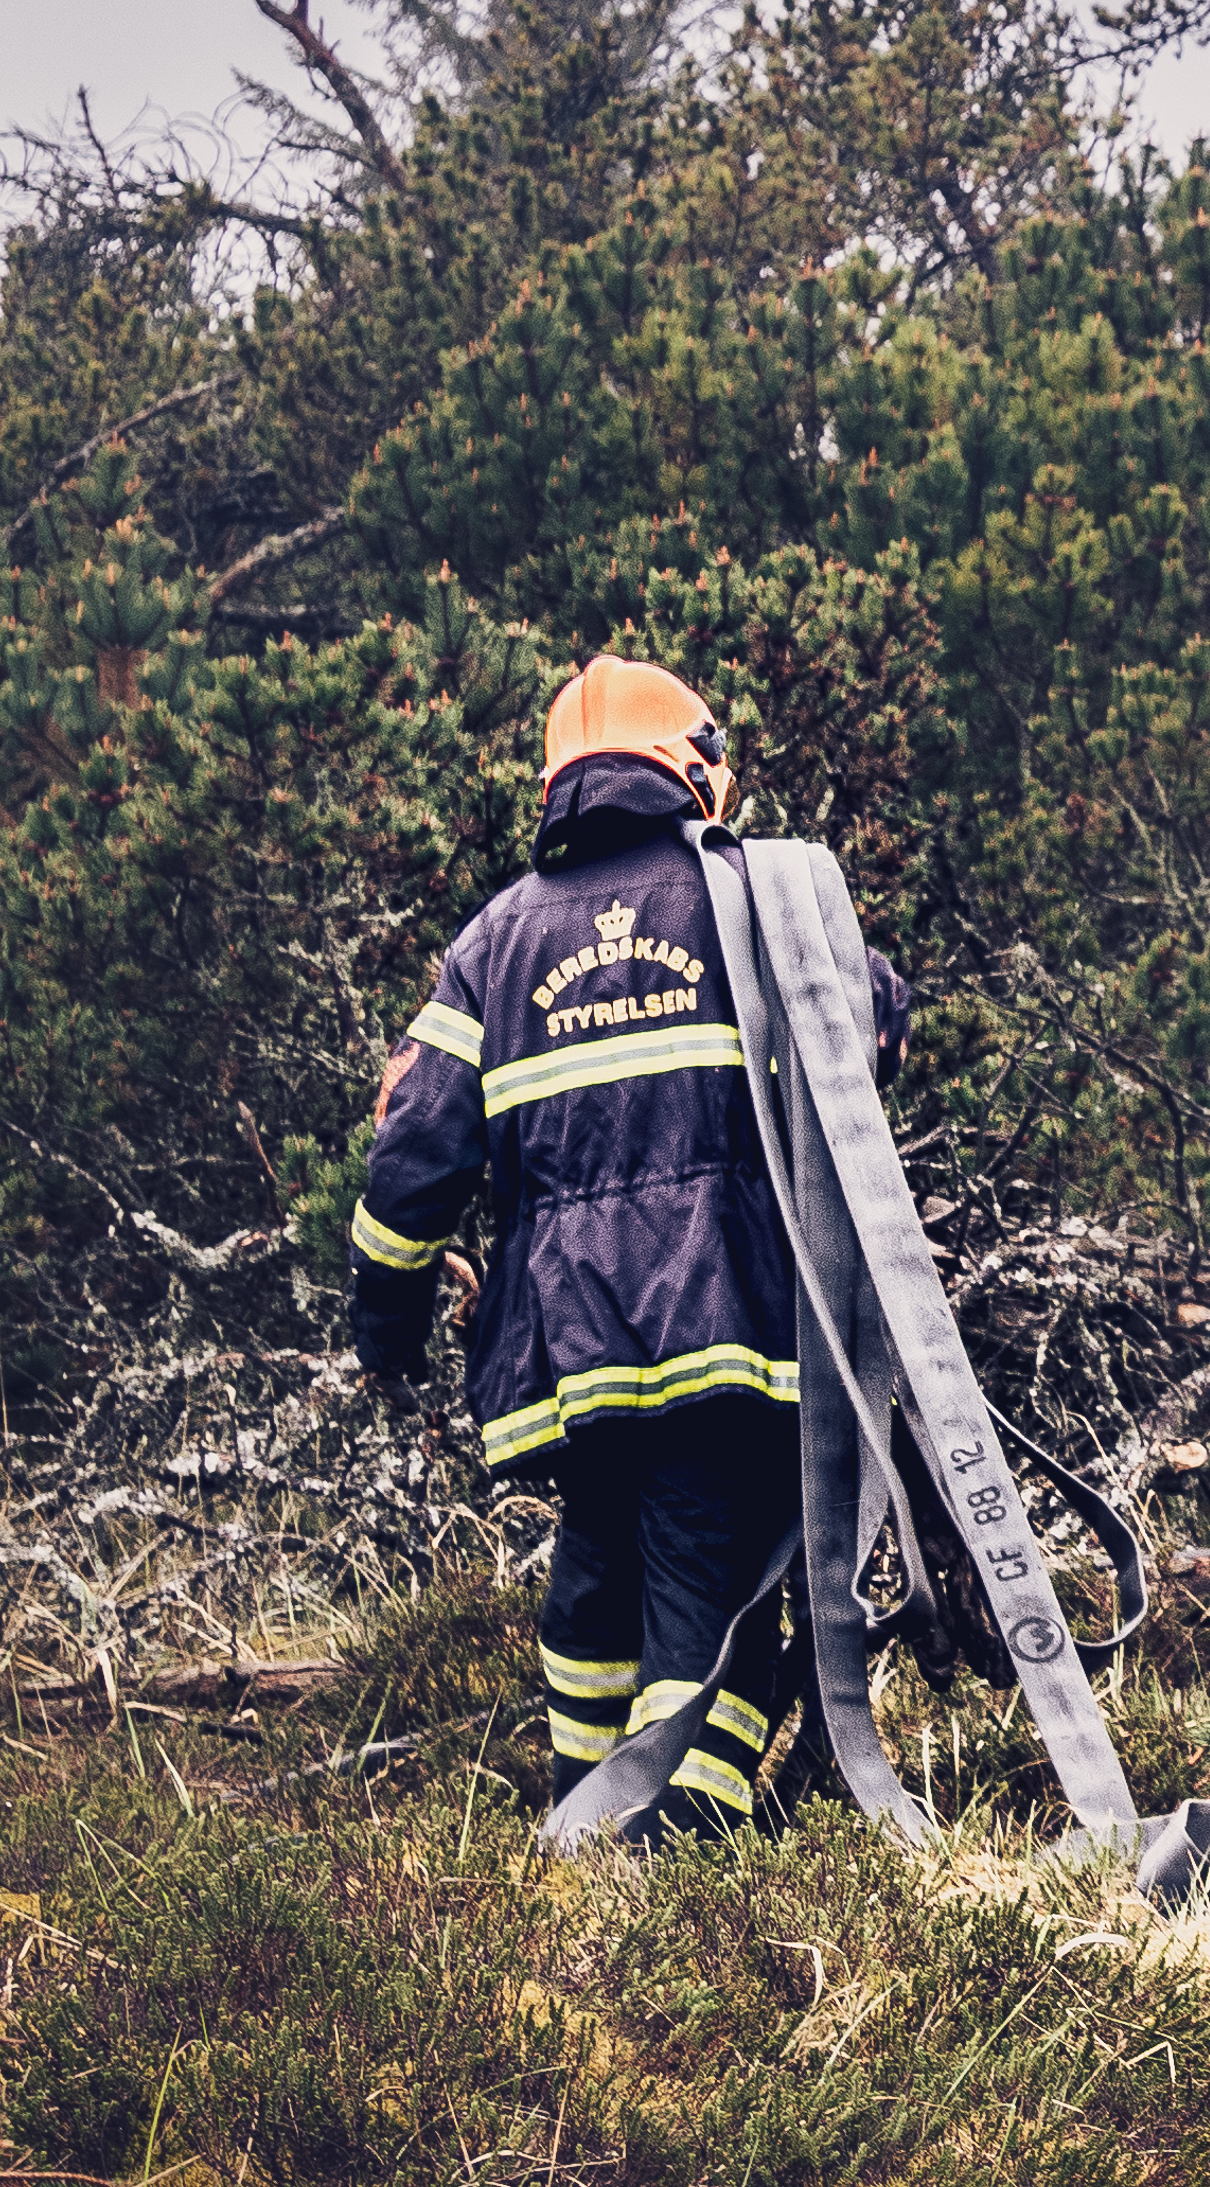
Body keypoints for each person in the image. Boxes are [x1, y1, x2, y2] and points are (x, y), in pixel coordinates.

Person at [347, 655, 905, 1843]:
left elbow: (414, 1154)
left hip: (571, 1357)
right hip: (730, 1336)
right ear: (693, 771)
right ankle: (676, 1850)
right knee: (715, 1583)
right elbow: (873, 1019)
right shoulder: (752, 895)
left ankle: (584, 1821)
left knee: (595, 1576)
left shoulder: (492, 944)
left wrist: (384, 1328)